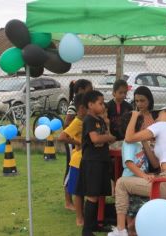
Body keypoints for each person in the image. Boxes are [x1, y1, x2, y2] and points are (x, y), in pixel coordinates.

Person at [108, 106, 166, 236]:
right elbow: (155, 163)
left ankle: (120, 231)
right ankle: (133, 226)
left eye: (158, 115)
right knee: (150, 180)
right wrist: (143, 139)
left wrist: (134, 116)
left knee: (121, 183)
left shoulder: (162, 125)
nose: (155, 119)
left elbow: (129, 138)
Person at [77, 90, 116, 236]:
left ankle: (95, 224)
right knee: (92, 194)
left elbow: (106, 136)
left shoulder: (99, 120)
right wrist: (108, 137)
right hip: (92, 161)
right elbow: (95, 139)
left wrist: (107, 128)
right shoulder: (89, 120)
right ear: (90, 104)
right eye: (100, 103)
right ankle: (86, 230)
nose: (103, 105)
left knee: (100, 193)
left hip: (102, 160)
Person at [118, 112, 156, 236]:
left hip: (138, 178)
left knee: (138, 209)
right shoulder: (129, 143)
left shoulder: (138, 142)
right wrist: (144, 175)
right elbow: (129, 163)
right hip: (130, 179)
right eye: (142, 126)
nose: (145, 128)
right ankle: (129, 229)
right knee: (131, 210)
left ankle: (132, 228)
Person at [63, 79, 93, 210]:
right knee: (71, 171)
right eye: (89, 89)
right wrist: (77, 136)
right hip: (73, 144)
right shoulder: (76, 105)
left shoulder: (85, 103)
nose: (91, 91)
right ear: (81, 90)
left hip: (81, 145)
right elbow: (66, 125)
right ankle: (68, 201)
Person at [58, 94, 86, 226]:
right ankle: (79, 218)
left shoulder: (89, 120)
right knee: (78, 191)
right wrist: (77, 142)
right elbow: (62, 137)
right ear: (82, 108)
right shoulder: (77, 122)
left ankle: (85, 215)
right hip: (77, 162)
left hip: (88, 161)